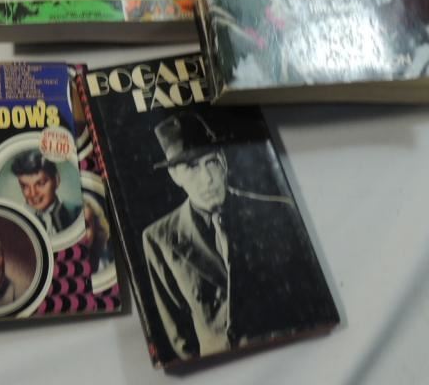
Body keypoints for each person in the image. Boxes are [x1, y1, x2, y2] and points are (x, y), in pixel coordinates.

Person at [142, 112, 335, 361]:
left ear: (224, 163)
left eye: (211, 162)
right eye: (191, 167)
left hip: (291, 354)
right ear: (174, 176)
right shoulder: (159, 238)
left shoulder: (279, 212)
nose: (207, 178)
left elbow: (314, 301)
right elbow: (178, 335)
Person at [10, 149, 81, 235]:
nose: (33, 193)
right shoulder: (14, 219)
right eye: (25, 186)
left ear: (57, 180)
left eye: (40, 183)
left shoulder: (76, 213)